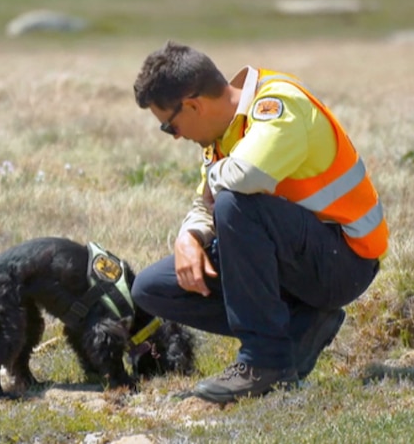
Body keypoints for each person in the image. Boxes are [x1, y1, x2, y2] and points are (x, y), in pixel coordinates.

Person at [130, 41, 388, 404]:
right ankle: (302, 323)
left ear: (193, 105)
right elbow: (209, 195)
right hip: (298, 262)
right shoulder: (223, 134)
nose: (176, 137)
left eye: (169, 127)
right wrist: (189, 236)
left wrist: (213, 194)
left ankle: (265, 362)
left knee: (236, 205)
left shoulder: (278, 105)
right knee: (152, 287)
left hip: (344, 263)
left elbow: (245, 176)